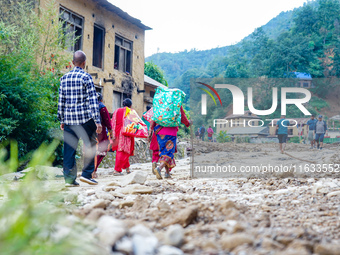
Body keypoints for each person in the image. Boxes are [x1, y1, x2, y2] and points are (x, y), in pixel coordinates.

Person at [58, 50, 102, 186]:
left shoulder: (63, 79)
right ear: (84, 63)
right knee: (90, 144)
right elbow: (93, 101)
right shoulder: (86, 77)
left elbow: (61, 101)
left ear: (72, 63)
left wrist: (62, 119)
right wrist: (98, 121)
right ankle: (87, 175)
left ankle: (69, 179)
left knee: (69, 148)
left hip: (70, 120)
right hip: (85, 119)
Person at [150, 106, 191, 179]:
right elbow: (182, 116)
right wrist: (187, 123)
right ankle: (159, 168)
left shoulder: (160, 100)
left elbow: (154, 116)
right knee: (169, 152)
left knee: (164, 151)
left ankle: (167, 173)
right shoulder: (176, 100)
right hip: (171, 131)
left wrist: (151, 129)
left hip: (159, 131)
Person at [111, 98, 134, 175]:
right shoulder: (130, 111)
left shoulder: (117, 110)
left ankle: (127, 169)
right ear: (130, 105)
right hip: (126, 134)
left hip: (117, 132)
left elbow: (113, 122)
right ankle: (116, 170)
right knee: (123, 152)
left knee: (121, 150)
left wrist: (112, 134)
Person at [93, 93, 113, 178]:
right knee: (101, 150)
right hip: (100, 132)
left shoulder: (89, 106)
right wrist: (110, 130)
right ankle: (93, 170)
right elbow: (107, 120)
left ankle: (89, 170)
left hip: (90, 131)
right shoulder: (102, 107)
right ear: (101, 99)